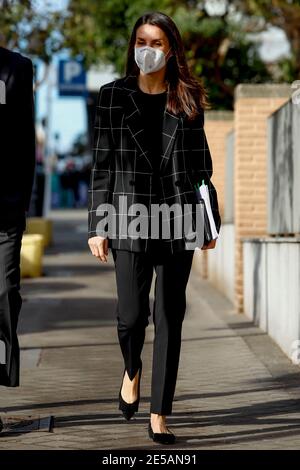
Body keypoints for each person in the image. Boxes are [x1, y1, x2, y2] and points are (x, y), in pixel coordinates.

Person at [88, 11, 221, 444]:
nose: (148, 49)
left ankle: (160, 413)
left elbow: (203, 167)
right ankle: (132, 369)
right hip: (127, 219)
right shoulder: (111, 96)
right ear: (133, 46)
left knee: (170, 317)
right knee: (130, 318)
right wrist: (97, 224)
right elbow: (102, 164)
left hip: (177, 218)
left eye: (158, 43)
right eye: (142, 41)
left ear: (171, 50)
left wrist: (206, 222)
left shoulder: (187, 98)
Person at [0, 46, 36, 431]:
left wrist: (21, 202)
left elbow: (25, 139)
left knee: (4, 298)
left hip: (5, 212)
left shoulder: (17, 68)